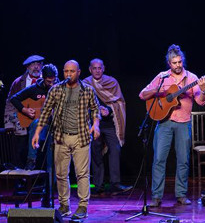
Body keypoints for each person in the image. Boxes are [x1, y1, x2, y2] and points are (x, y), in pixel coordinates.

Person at [139, 44, 205, 207]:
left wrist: (203, 90)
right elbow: (142, 94)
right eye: (174, 63)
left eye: (179, 62)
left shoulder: (192, 78)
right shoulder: (162, 77)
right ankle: (156, 196)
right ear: (169, 64)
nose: (178, 65)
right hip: (163, 122)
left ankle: (181, 194)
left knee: (183, 160)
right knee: (159, 160)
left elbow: (201, 101)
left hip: (183, 123)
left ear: (182, 61)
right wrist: (161, 92)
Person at [32, 60, 101, 220]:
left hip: (81, 137)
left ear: (78, 72)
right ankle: (64, 205)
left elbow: (95, 108)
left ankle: (83, 205)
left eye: (72, 71)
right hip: (61, 137)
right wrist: (37, 133)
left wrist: (96, 124)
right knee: (61, 174)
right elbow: (45, 111)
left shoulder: (87, 90)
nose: (69, 74)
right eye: (66, 71)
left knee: (82, 174)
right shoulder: (56, 90)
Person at [8, 63, 60, 206]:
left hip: (54, 130)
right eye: (49, 81)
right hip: (39, 128)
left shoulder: (59, 89)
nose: (51, 83)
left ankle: (47, 195)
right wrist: (24, 110)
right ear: (43, 78)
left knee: (51, 163)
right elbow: (14, 98)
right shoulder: (34, 88)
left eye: (54, 80)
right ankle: (31, 159)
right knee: (37, 122)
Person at [82, 59, 132, 195]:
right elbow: (83, 104)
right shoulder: (85, 84)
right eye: (94, 68)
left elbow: (119, 101)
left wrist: (109, 110)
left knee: (115, 151)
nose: (97, 70)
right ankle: (98, 185)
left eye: (99, 68)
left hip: (110, 124)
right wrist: (98, 110)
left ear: (103, 68)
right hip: (94, 124)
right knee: (96, 153)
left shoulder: (112, 82)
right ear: (90, 69)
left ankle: (115, 184)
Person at [4, 54, 44, 170]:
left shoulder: (48, 80)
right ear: (27, 67)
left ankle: (38, 178)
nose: (36, 67)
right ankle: (22, 177)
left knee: (39, 148)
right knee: (20, 149)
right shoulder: (18, 82)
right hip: (21, 121)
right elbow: (10, 102)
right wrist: (8, 123)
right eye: (33, 64)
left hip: (41, 122)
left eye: (38, 64)